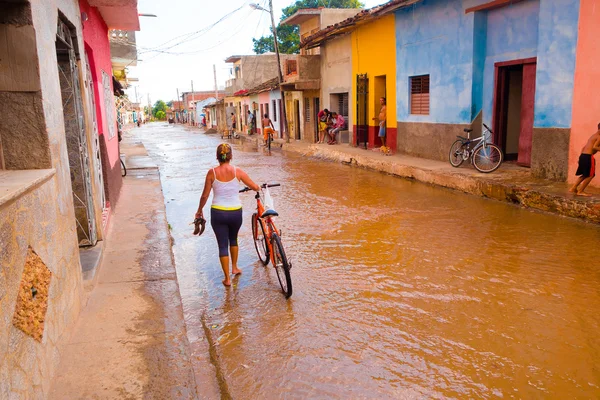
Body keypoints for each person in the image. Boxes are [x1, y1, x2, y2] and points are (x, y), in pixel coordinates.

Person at [195, 144, 260, 286]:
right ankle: (235, 267)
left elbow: (205, 196)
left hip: (218, 213)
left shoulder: (211, 173)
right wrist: (258, 188)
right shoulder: (238, 171)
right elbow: (254, 186)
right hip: (236, 212)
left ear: (217, 157)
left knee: (222, 245)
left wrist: (199, 211)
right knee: (233, 239)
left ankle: (227, 279)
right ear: (231, 156)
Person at [569, 124, 600, 196]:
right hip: (588, 157)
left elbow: (584, 147)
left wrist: (580, 157)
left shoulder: (593, 136)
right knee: (591, 175)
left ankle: (573, 188)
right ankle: (580, 191)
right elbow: (595, 147)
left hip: (583, 155)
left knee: (585, 174)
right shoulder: (599, 137)